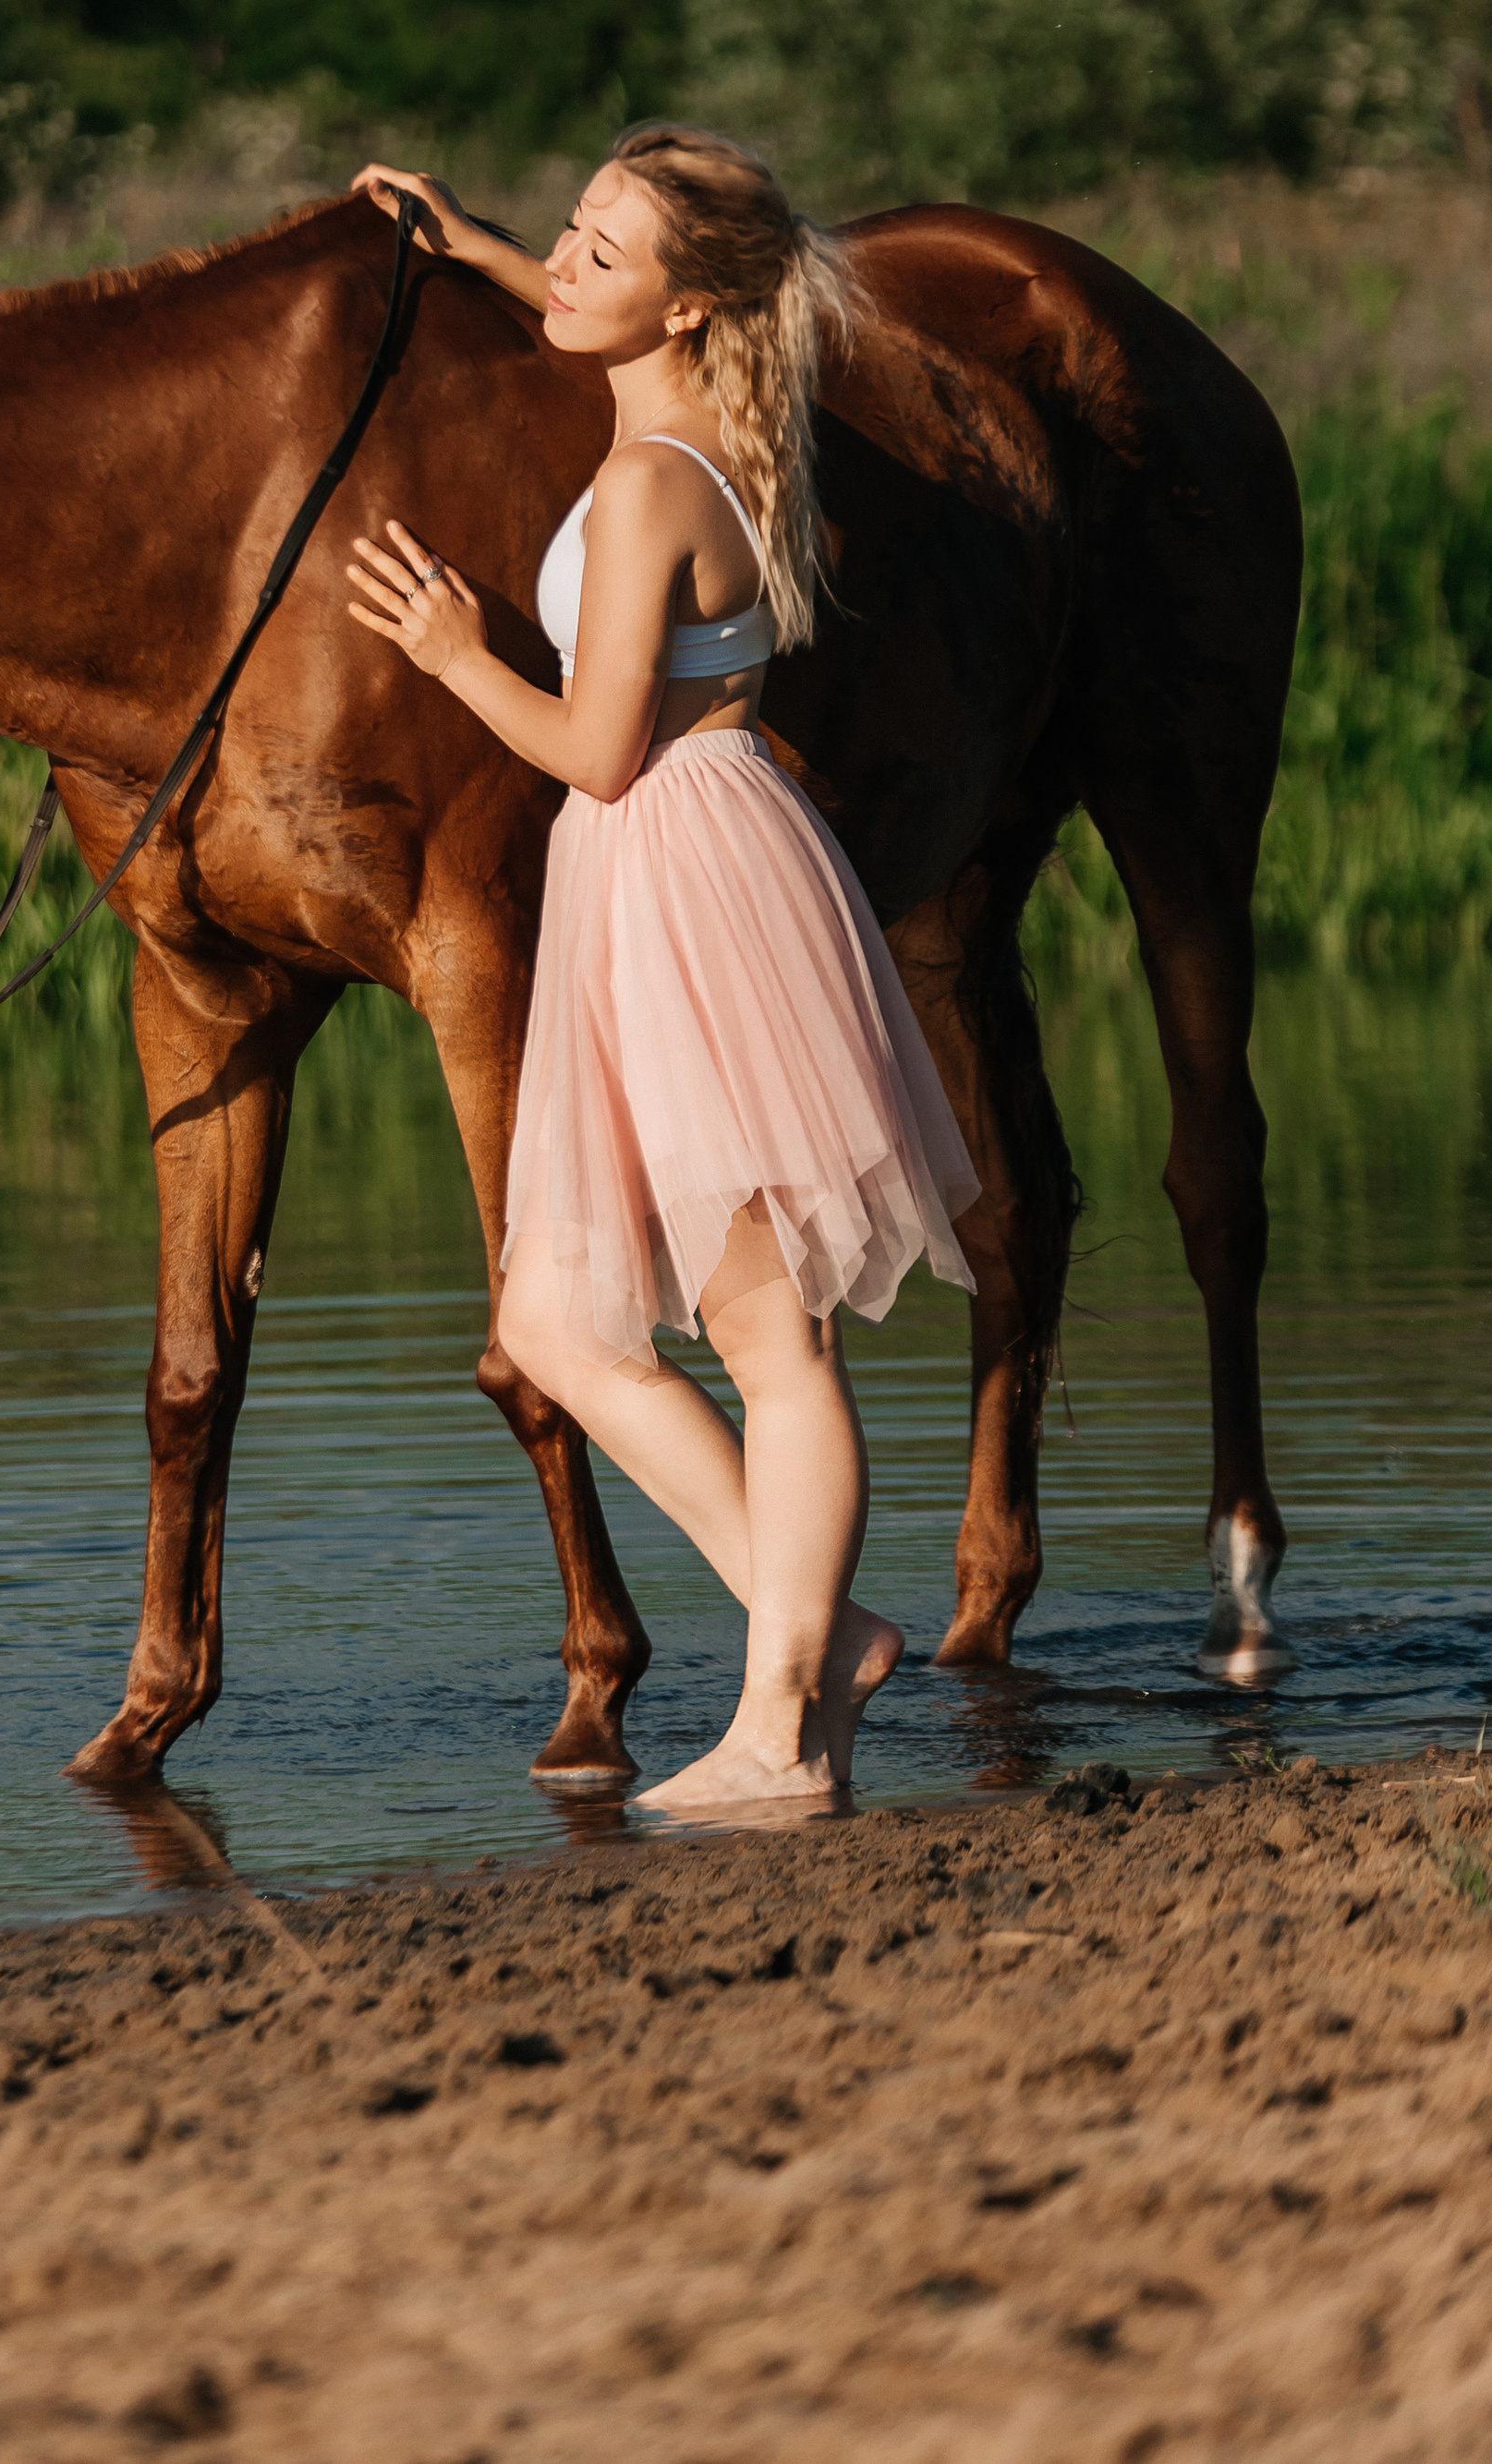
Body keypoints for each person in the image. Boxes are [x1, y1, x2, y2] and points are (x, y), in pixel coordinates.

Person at [344, 127, 976, 1811]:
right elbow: (607, 309)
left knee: (775, 1341)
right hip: (665, 877)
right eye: (568, 228)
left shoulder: (646, 486)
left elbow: (598, 754)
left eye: (598, 253)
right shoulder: (703, 429)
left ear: (687, 308)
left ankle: (782, 1734)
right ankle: (818, 1631)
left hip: (683, 875)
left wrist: (458, 654)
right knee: (554, 1316)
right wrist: (478, 247)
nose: (563, 262)